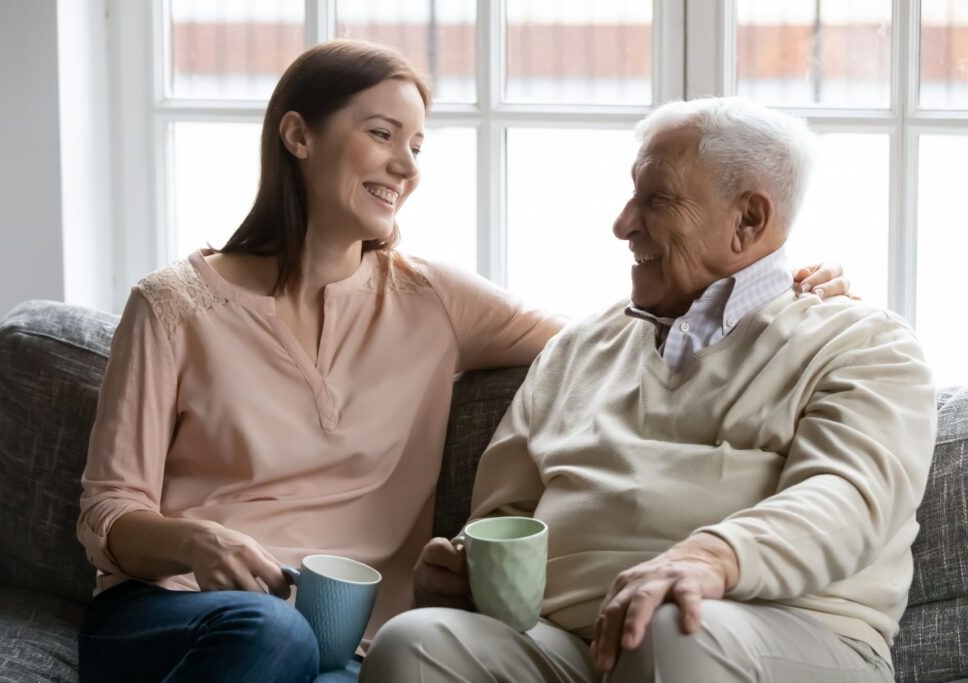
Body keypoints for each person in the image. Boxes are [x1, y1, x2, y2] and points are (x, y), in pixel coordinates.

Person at [75, 39, 852, 683]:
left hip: (346, 643)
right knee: (270, 636)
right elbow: (108, 511)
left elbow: (614, 335)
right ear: (298, 135)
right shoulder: (173, 304)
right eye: (382, 134)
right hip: (175, 614)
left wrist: (774, 284)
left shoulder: (433, 300)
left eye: (416, 145)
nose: (407, 165)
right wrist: (196, 541)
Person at [360, 97, 935, 683]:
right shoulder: (579, 347)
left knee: (669, 632)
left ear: (749, 221)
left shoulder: (865, 343)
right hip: (573, 642)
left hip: (785, 633)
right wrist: (463, 568)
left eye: (656, 199)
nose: (623, 223)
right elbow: (508, 511)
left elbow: (848, 496)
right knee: (415, 644)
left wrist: (713, 558)